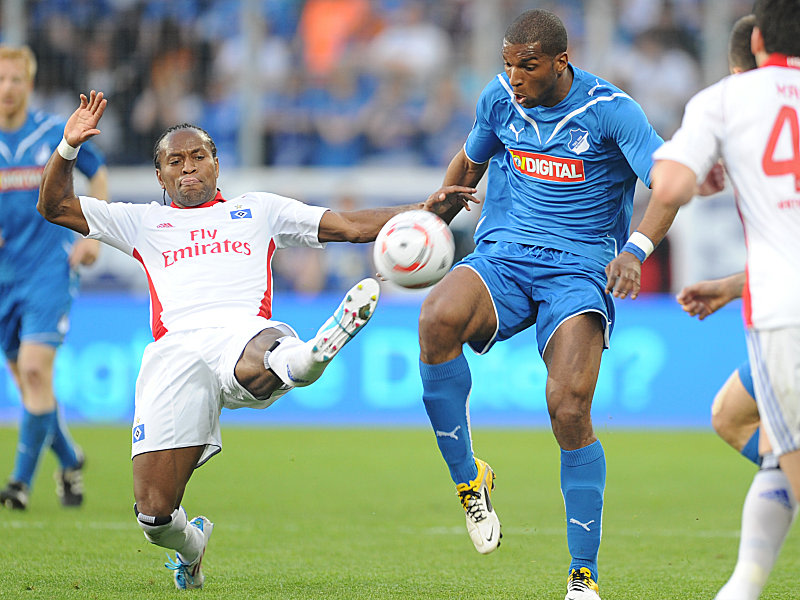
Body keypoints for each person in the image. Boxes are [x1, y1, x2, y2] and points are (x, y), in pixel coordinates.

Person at [37, 89, 474, 590]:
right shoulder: (140, 221)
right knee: (155, 516)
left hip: (243, 332)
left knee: (257, 361)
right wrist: (68, 147)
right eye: (174, 162)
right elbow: (54, 206)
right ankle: (193, 546)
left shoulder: (256, 210)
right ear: (160, 176)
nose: (188, 169)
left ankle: (309, 356)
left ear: (217, 164)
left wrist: (424, 211)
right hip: (174, 352)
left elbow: (350, 226)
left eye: (198, 157)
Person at [416, 10, 664, 600]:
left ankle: (583, 575)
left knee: (569, 408)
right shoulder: (499, 99)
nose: (516, 77)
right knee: (435, 319)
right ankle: (469, 479)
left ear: (561, 60)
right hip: (504, 256)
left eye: (527, 66)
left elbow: (669, 182)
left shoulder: (611, 111)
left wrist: (635, 249)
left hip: (579, 271)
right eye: (508, 64)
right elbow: (469, 163)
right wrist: (430, 225)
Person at [605, 2, 800, 598]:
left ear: (758, 39)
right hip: (777, 295)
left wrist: (702, 169)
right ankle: (740, 588)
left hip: (785, 316)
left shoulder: (727, 99)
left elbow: (672, 185)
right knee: (738, 419)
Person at [0, 45, 108, 510]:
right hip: (5, 276)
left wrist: (93, 235)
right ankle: (71, 459)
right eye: (1, 80)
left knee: (33, 370)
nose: (7, 89)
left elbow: (96, 172)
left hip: (49, 268)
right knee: (31, 387)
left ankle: (18, 485)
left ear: (29, 83)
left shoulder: (51, 132)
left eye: (15, 80)